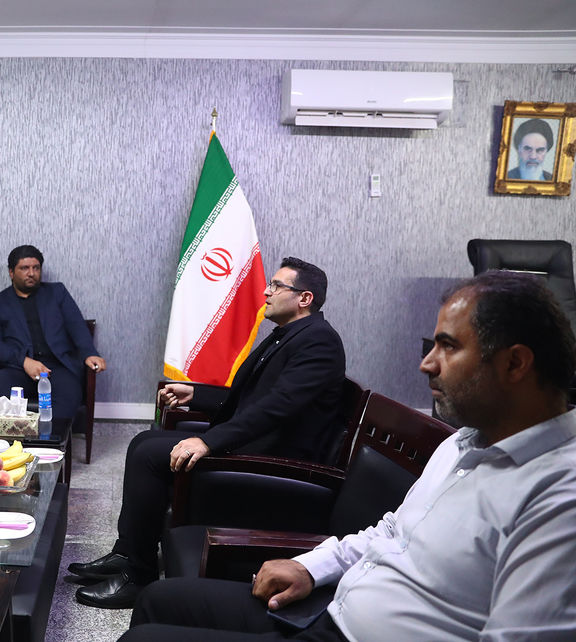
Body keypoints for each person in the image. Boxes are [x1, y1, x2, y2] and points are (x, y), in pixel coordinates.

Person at [120, 270, 576, 641]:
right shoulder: (463, 442)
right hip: (332, 609)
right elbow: (394, 529)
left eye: (448, 346)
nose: (426, 363)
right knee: (157, 599)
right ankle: (128, 562)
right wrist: (311, 565)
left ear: (515, 363)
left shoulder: (559, 498)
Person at [69, 257, 346, 609]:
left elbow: (276, 408)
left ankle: (138, 576)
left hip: (276, 461)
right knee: (143, 442)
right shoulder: (291, 335)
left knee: (150, 455)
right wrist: (195, 393)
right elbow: (251, 398)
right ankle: (127, 553)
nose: (266, 291)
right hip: (260, 442)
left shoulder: (319, 342)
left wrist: (208, 440)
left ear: (304, 298)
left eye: (277, 286)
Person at [0, 244, 106, 425]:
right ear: (11, 272)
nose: (31, 273)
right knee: (1, 389)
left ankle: (51, 441)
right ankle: (16, 442)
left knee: (69, 395)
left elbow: (76, 325)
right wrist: (24, 361)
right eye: (24, 268)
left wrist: (89, 353)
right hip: (17, 368)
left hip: (57, 368)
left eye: (36, 268)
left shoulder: (57, 293)